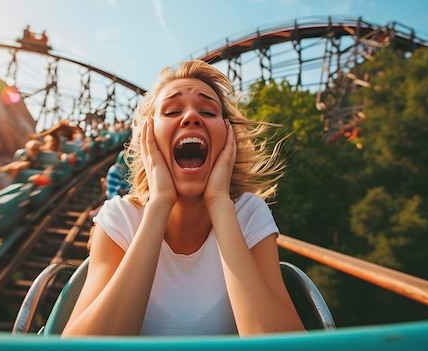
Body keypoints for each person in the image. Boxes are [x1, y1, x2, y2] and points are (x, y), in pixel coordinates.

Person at [62, 60, 304, 337]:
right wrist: (159, 203)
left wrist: (219, 202)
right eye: (173, 110)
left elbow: (283, 343)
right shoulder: (120, 219)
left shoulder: (249, 214)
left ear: (228, 137)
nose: (191, 117)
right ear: (148, 137)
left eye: (208, 111)